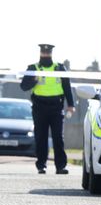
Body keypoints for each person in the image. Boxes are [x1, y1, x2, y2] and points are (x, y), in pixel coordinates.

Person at [20, 44, 75, 174]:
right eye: (43, 52)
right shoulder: (33, 68)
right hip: (39, 107)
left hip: (56, 107)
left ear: (51, 53)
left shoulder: (59, 68)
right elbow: (23, 86)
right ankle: (41, 165)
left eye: (48, 52)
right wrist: (34, 80)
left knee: (58, 137)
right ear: (40, 53)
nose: (45, 54)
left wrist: (71, 105)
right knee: (41, 137)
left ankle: (60, 166)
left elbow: (67, 87)